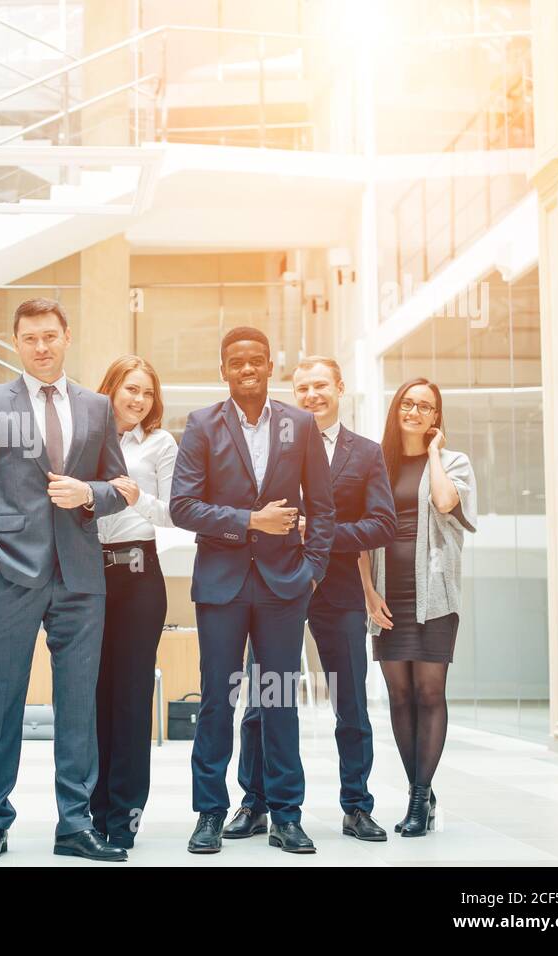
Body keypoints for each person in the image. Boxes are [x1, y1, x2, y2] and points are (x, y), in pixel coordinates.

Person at [0, 297, 129, 862]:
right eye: (30, 338)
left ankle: (75, 823)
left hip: (81, 576)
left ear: (66, 336)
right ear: (18, 342)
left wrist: (89, 494)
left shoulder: (98, 407)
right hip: (11, 574)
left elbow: (120, 483)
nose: (42, 346)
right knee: (2, 701)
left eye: (50, 335)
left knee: (79, 704)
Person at [170, 326, 335, 855]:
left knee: (280, 700)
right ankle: (209, 813)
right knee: (218, 700)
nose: (247, 369)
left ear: (269, 367)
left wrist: (312, 570)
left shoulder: (301, 424)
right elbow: (183, 506)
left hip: (285, 585)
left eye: (257, 361)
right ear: (223, 370)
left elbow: (324, 508)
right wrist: (250, 521)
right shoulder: (201, 425)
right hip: (221, 584)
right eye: (236, 362)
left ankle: (287, 814)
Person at [228, 356, 397, 844]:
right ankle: (256, 803)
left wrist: (321, 533)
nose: (311, 395)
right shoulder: (272, 447)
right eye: (301, 388)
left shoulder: (364, 453)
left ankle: (357, 806)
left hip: (338, 590)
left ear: (340, 388)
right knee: (264, 699)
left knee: (351, 704)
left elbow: (382, 524)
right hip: (273, 590)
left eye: (320, 385)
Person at [361, 378, 476, 837]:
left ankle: (417, 797)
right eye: (407, 404)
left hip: (436, 595)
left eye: (425, 407)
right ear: (396, 409)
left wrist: (433, 452)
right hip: (389, 593)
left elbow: (447, 502)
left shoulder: (453, 462)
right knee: (400, 696)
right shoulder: (378, 465)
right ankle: (421, 793)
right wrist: (368, 593)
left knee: (430, 693)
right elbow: (361, 535)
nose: (414, 411)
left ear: (436, 417)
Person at [90, 355, 178, 850]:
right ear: (112, 389)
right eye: (131, 389)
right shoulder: (87, 435)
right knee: (92, 692)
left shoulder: (161, 443)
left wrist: (134, 497)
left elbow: (173, 513)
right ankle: (92, 802)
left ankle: (125, 807)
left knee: (131, 692)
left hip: (140, 575)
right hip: (88, 573)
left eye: (147, 392)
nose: (138, 399)